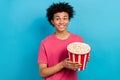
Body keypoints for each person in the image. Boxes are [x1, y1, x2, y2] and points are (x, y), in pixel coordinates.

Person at [38, 2, 87, 80]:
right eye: (57, 18)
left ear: (68, 20)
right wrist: (62, 65)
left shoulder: (78, 40)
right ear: (52, 21)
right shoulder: (45, 43)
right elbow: (42, 73)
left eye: (65, 18)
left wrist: (85, 58)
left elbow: (79, 65)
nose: (61, 22)